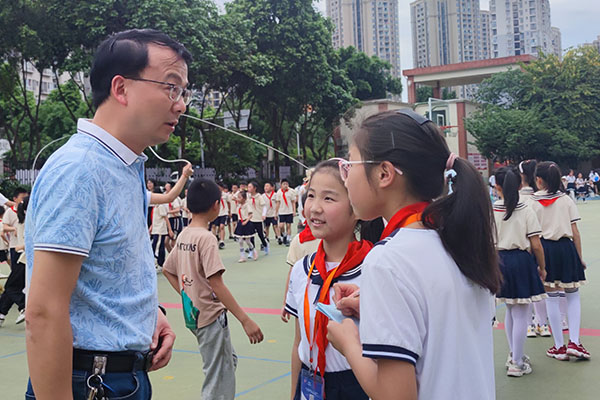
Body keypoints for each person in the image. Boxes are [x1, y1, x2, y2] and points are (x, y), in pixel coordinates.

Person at [24, 29, 191, 399]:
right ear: (121, 88)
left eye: (183, 91)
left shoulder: (126, 165)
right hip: (87, 382)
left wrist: (149, 315)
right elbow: (44, 312)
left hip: (123, 376)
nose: (180, 104)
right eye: (171, 87)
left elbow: (107, 268)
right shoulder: (80, 169)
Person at [327, 110, 501, 399]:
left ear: (384, 173)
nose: (345, 179)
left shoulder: (389, 261)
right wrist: (374, 304)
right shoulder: (459, 240)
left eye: (349, 165)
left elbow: (396, 395)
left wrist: (349, 345)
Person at [162, 178, 263, 400]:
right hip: (210, 316)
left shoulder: (185, 235)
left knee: (227, 361)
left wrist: (188, 295)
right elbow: (216, 283)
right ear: (217, 205)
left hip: (193, 314)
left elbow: (169, 270)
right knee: (218, 380)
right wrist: (245, 319)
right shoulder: (206, 238)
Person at [284, 159, 372, 400]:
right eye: (311, 195)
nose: (314, 207)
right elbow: (298, 342)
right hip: (310, 384)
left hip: (358, 385)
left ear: (356, 209)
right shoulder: (302, 269)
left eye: (328, 198)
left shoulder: (374, 269)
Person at [530, 162, 590, 360]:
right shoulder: (565, 200)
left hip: (545, 250)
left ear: (538, 180)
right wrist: (579, 257)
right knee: (572, 295)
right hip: (566, 248)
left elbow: (531, 236)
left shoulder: (532, 202)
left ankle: (559, 346)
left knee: (552, 298)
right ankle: (575, 341)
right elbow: (575, 232)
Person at [493, 167, 547, 377]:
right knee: (521, 311)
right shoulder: (525, 209)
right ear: (519, 185)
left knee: (510, 309)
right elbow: (536, 244)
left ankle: (514, 355)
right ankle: (517, 361)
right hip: (521, 261)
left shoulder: (492, 209)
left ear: (497, 186)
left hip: (499, 261)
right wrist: (542, 267)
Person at [518, 159, 551, 338]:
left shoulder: (518, 198)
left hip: (525, 247)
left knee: (527, 287)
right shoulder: (541, 197)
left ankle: (529, 324)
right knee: (542, 286)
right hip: (543, 244)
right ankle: (543, 323)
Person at [280, 192, 320, 323]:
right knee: (301, 336)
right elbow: (292, 273)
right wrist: (287, 300)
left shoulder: (335, 239)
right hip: (304, 300)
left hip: (330, 301)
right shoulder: (299, 240)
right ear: (304, 213)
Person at [0, 196, 29, 326]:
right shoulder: (22, 220)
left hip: (23, 258)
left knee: (11, 287)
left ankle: (24, 306)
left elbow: (30, 241)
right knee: (13, 286)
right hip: (22, 256)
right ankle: (1, 313)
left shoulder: (25, 221)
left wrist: (21, 246)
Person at [151, 199, 174, 271]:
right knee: (160, 247)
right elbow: (155, 219)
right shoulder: (156, 206)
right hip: (156, 230)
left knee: (156, 247)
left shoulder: (161, 206)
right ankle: (161, 263)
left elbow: (166, 218)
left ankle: (156, 264)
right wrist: (151, 228)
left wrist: (170, 230)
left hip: (160, 231)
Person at [233, 190, 256, 262]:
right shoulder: (239, 205)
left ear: (244, 198)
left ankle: (253, 250)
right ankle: (242, 256)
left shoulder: (247, 205)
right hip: (240, 222)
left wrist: (246, 221)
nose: (238, 198)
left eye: (240, 197)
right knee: (240, 240)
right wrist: (239, 192)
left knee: (248, 240)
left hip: (246, 223)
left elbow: (251, 214)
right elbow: (233, 197)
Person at [247, 182, 269, 255]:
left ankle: (265, 244)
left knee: (260, 234)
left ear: (254, 188)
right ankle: (252, 250)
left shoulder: (259, 197)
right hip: (250, 218)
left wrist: (263, 214)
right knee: (251, 236)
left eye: (250, 187)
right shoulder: (247, 196)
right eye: (248, 187)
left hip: (258, 218)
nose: (248, 188)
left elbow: (264, 206)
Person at [276, 178, 297, 246]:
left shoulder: (291, 192)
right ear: (281, 185)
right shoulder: (279, 192)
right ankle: (284, 234)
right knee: (281, 225)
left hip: (289, 211)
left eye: (286, 184)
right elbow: (278, 203)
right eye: (284, 184)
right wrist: (276, 212)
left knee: (288, 225)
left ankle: (288, 238)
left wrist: (294, 211)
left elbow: (293, 202)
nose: (285, 185)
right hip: (282, 211)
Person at [164, 182, 183, 252]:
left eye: (167, 186)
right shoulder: (164, 196)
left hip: (175, 220)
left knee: (173, 242)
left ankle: (177, 258)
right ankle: (172, 256)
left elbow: (178, 209)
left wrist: (168, 212)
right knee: (166, 242)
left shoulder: (174, 198)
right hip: (169, 220)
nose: (165, 187)